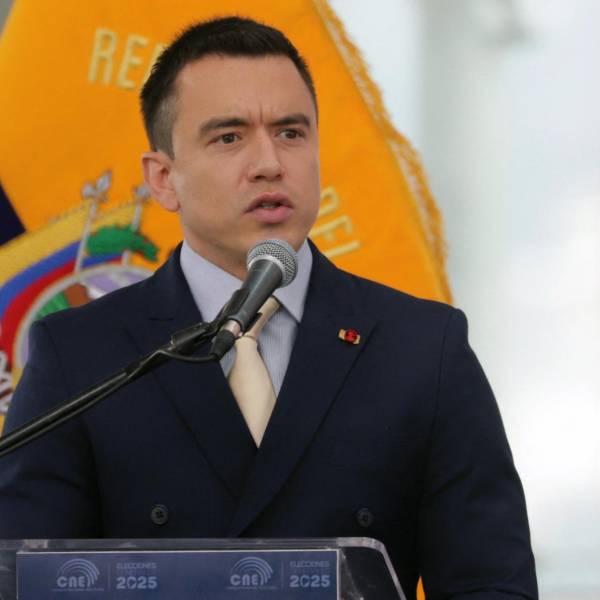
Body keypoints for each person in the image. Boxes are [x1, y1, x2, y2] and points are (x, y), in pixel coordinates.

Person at [0, 16, 538, 600]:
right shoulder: (82, 356)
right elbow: (23, 578)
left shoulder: (422, 348)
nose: (269, 162)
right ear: (163, 179)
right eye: (229, 137)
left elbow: (493, 586)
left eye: (290, 132)